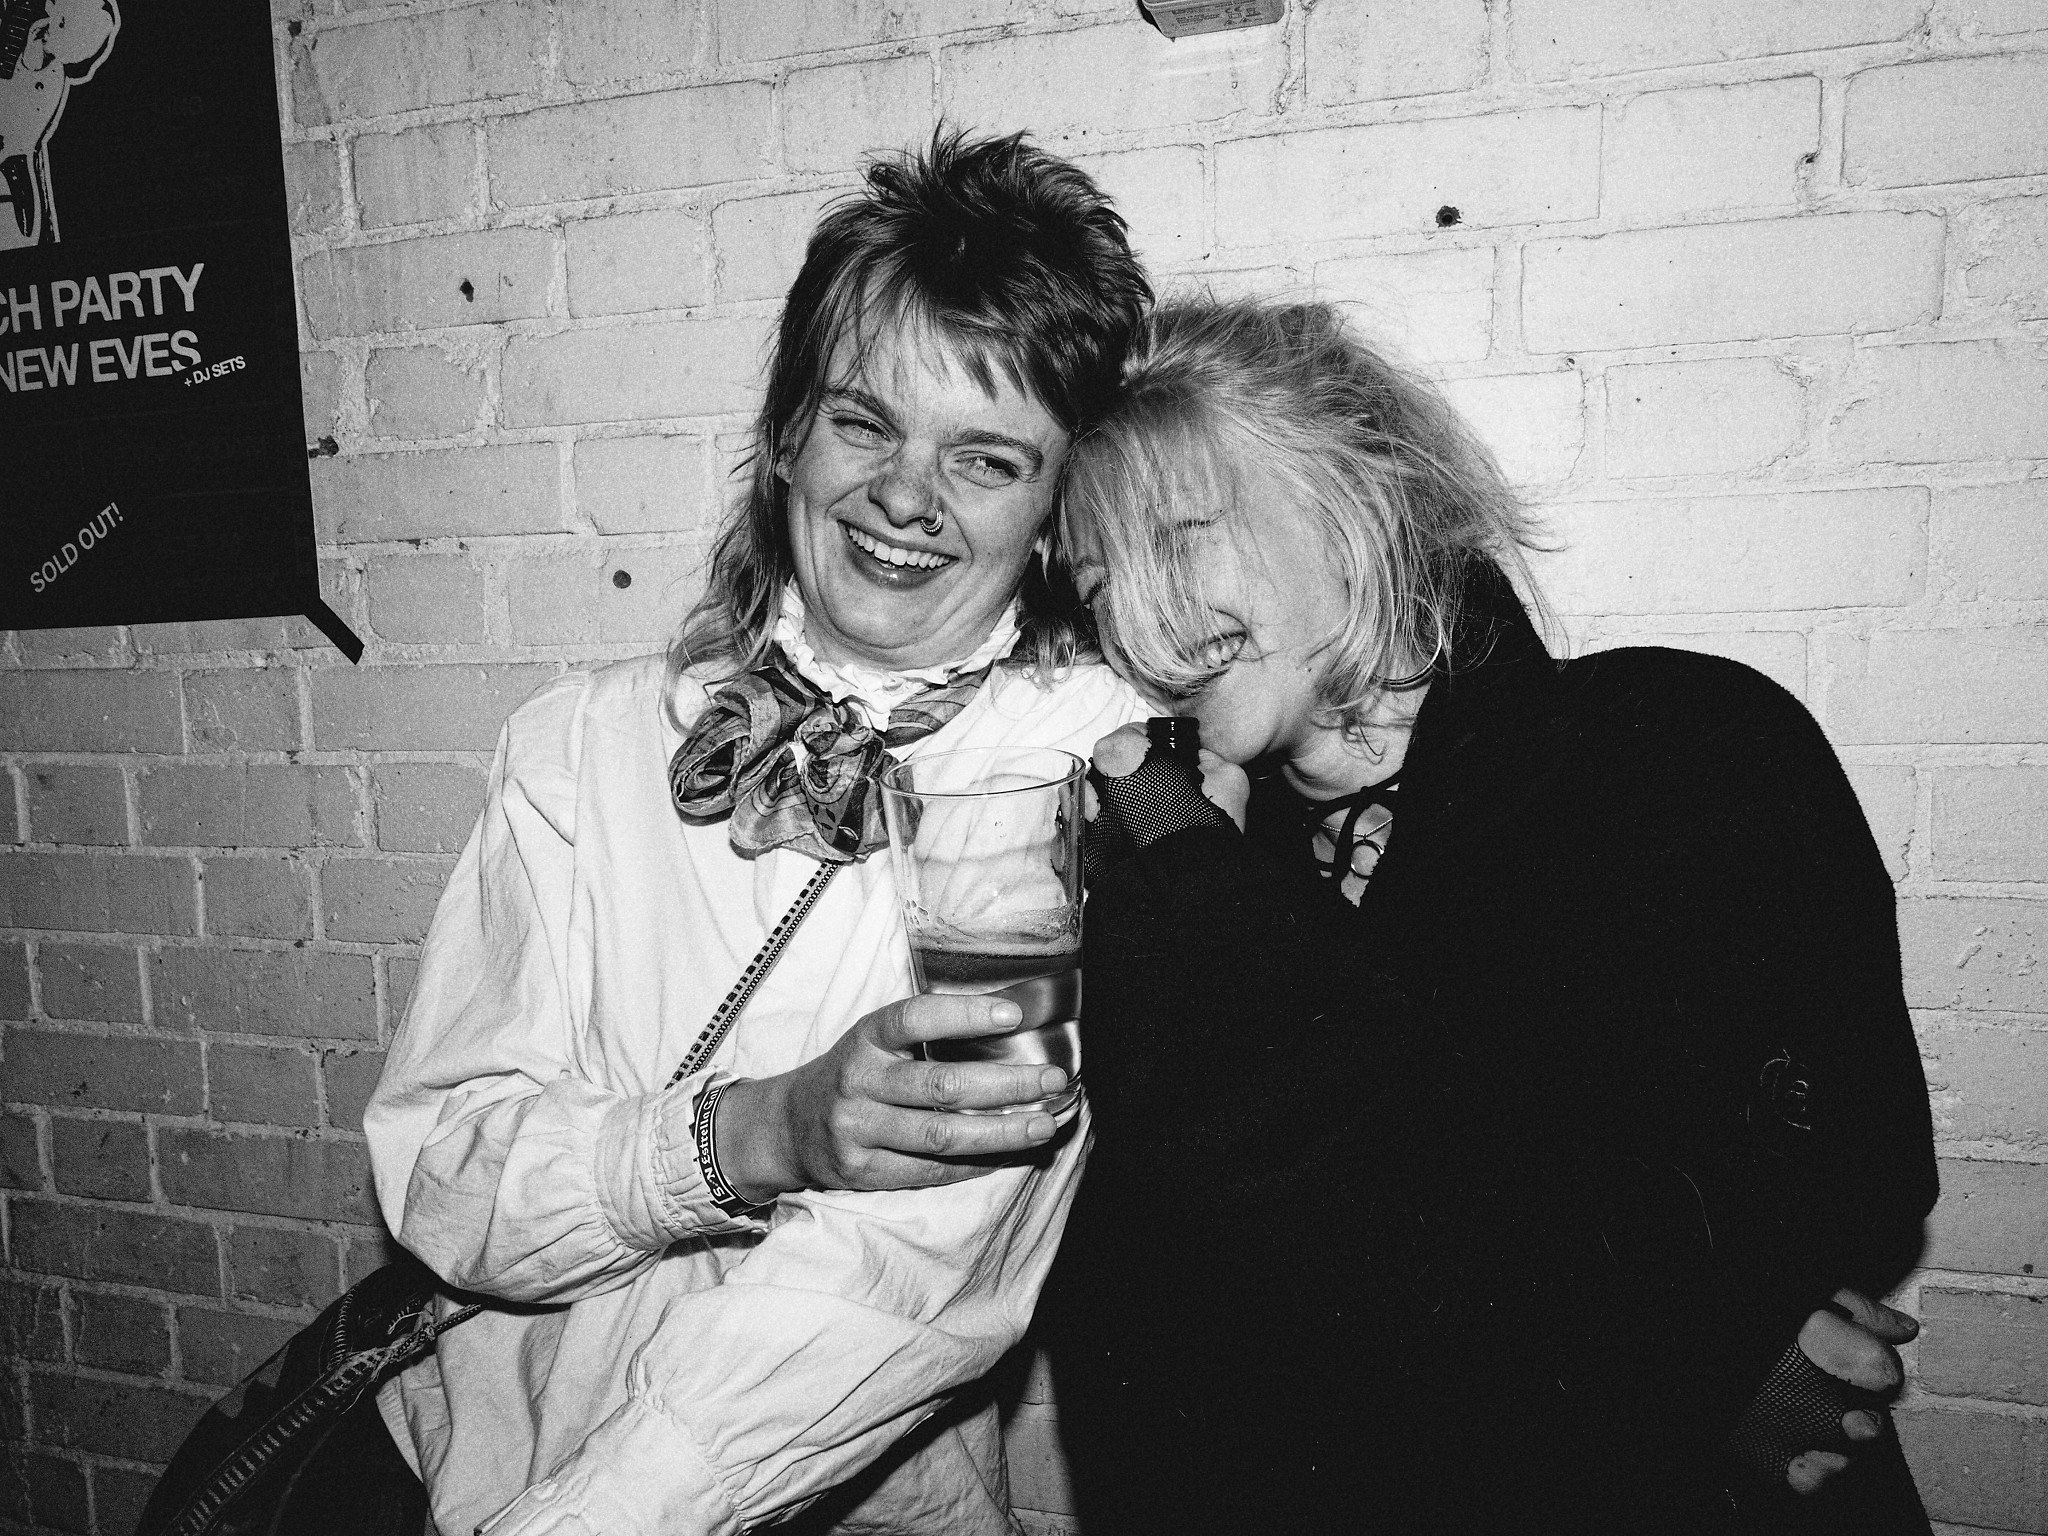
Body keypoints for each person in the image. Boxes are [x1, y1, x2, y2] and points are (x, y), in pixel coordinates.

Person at [363, 130, 1151, 1536]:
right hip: (482, 1475)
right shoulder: (581, 746)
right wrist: (752, 1135)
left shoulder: (1089, 773)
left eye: (985, 459)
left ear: (1053, 510)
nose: (905, 496)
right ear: (786, 431)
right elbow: (447, 1183)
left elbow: (910, 1265)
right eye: (864, 423)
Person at [1044, 298, 1939, 1533]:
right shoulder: (1169, 863)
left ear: (1358, 496)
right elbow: (1157, 1324)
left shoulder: (1675, 750)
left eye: (1181, 538)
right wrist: (1714, 1357)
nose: (1138, 624)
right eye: (1100, 588)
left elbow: (1845, 1180)